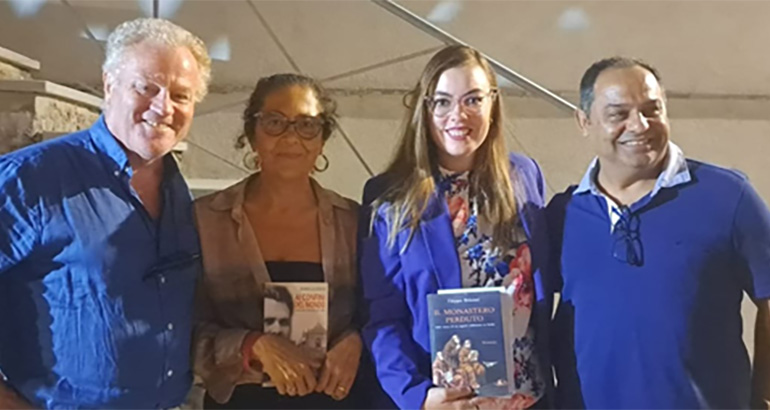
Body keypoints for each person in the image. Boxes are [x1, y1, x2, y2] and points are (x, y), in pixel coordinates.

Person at [0, 18, 210, 408]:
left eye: (181, 95)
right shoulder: (29, 179)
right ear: (109, 84)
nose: (163, 107)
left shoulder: (179, 193)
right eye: (146, 87)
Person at [548, 57, 770, 408]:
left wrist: (763, 396)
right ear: (584, 121)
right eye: (619, 114)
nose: (640, 125)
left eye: (652, 110)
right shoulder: (562, 215)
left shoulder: (729, 197)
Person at [358, 45, 554, 410]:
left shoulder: (524, 175)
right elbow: (382, 317)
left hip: (528, 399)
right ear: (425, 109)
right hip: (446, 402)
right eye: (443, 102)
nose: (458, 115)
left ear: (493, 103)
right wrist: (416, 396)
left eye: (473, 100)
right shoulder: (390, 194)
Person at [193, 73, 365, 409]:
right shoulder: (205, 221)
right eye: (274, 122)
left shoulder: (353, 223)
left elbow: (382, 314)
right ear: (252, 135)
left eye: (307, 125)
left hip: (336, 401)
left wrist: (358, 341)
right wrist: (250, 345)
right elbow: (178, 329)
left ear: (322, 141)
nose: (290, 137)